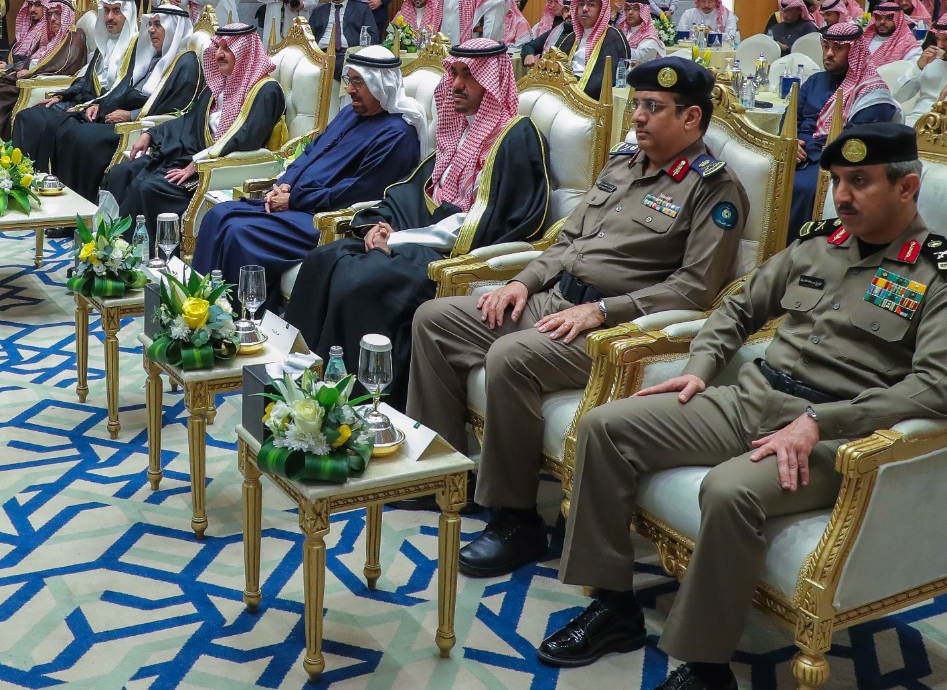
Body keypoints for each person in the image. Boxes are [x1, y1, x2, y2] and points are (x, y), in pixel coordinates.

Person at [541, 122, 947, 689]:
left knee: (728, 490)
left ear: (906, 187)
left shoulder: (943, 278)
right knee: (605, 427)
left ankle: (706, 667)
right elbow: (737, 308)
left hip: (830, 435)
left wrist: (822, 421)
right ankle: (613, 606)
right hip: (752, 397)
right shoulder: (819, 243)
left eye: (860, 182)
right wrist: (699, 369)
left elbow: (940, 387)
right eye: (837, 181)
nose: (842, 196)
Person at [407, 58, 749, 577]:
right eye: (636, 104)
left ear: (691, 117)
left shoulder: (714, 189)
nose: (637, 116)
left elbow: (696, 288)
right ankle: (444, 473)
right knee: (433, 319)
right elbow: (567, 241)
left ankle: (515, 518)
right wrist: (522, 282)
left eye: (653, 107)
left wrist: (604, 310)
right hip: (554, 299)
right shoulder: (623, 163)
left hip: (614, 328)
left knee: (510, 356)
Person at [286, 40, 550, 403]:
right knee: (324, 258)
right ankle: (301, 384)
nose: (456, 85)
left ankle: (360, 402)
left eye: (469, 75)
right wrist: (382, 224)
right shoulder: (459, 131)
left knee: (358, 281)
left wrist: (397, 239)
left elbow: (485, 219)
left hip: (452, 255)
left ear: (493, 82)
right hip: (415, 239)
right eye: (453, 73)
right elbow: (420, 191)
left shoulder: (516, 137)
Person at [191, 46, 425, 297]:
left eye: (359, 82)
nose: (349, 90)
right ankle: (200, 303)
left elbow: (356, 193)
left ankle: (240, 312)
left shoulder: (397, 135)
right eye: (349, 80)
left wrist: (294, 200)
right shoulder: (350, 113)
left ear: (382, 85)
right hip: (296, 203)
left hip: (322, 217)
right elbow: (311, 151)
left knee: (239, 232)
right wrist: (284, 183)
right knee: (217, 214)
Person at [105, 21, 285, 240]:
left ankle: (138, 251)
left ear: (245, 52)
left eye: (227, 48)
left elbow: (247, 138)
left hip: (213, 167)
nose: (218, 55)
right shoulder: (218, 84)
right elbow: (189, 120)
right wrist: (151, 134)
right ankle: (106, 243)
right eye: (217, 47)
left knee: (147, 188)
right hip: (187, 155)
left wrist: (199, 161)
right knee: (121, 173)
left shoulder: (266, 91)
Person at [47, 5, 202, 201]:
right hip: (119, 116)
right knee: (69, 129)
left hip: (137, 125)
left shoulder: (186, 64)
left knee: (83, 139)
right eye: (150, 24)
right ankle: (66, 200)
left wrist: (131, 115)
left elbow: (172, 108)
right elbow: (124, 88)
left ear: (174, 29)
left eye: (158, 24)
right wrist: (100, 104)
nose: (151, 30)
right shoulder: (154, 56)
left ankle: (84, 204)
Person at [788, 22, 902, 235]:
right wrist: (790, 143)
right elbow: (790, 120)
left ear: (855, 51)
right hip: (796, 153)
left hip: (832, 161)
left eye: (838, 48)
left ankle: (797, 247)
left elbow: (856, 144)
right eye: (826, 47)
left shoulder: (872, 93)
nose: (829, 54)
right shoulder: (814, 81)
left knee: (801, 186)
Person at [12, 0, 140, 171]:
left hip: (100, 110)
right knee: (27, 117)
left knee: (52, 125)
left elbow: (126, 89)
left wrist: (95, 105)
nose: (109, 17)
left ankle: (44, 174)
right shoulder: (105, 42)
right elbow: (85, 79)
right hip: (82, 102)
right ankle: (24, 174)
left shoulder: (137, 48)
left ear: (129, 13)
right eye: (107, 11)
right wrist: (62, 96)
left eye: (117, 11)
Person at [0, 0, 86, 138]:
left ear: (67, 16)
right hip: (25, 77)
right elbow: (31, 60)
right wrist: (14, 69)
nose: (53, 18)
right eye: (49, 14)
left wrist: (30, 73)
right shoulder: (48, 38)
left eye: (58, 14)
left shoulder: (73, 36)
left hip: (33, 82)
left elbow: (64, 65)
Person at [558, 0, 629, 99]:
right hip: (563, 91)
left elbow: (608, 79)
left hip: (588, 99)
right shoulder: (571, 38)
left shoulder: (613, 37)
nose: (584, 9)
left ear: (602, 10)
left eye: (591, 5)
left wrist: (574, 91)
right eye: (581, 4)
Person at [307, 0, 373, 72]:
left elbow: (372, 35)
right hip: (321, 54)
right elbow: (308, 36)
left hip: (347, 54)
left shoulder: (362, 10)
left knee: (340, 65)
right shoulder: (318, 11)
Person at [865, 1, 921, 67]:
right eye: (879, 18)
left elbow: (913, 68)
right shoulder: (865, 40)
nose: (882, 22)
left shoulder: (908, 44)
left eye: (889, 18)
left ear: (898, 21)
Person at [619, 0, 667, 65]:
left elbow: (637, 58)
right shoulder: (624, 32)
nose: (630, 12)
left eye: (635, 9)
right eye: (628, 9)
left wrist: (615, 48)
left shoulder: (650, 36)